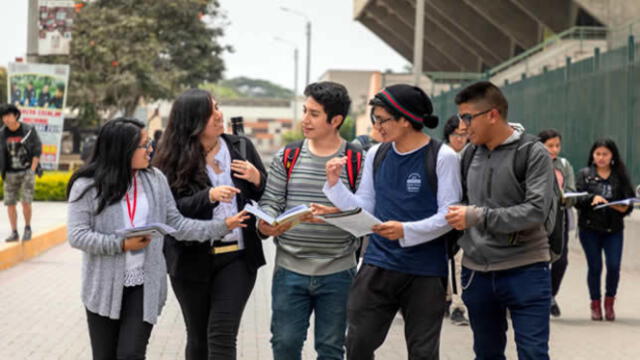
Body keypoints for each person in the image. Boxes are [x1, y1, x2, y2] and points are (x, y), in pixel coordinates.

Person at [66, 117, 249, 360]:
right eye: (144, 144)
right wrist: (121, 244)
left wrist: (222, 226)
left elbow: (177, 225)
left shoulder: (155, 180)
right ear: (123, 149)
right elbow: (77, 235)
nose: (151, 149)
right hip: (102, 287)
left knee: (131, 354)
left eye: (149, 142)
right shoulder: (87, 185)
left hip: (145, 284)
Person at [323, 84, 461, 359]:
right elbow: (365, 205)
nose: (377, 127)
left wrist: (404, 231)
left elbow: (449, 216)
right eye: (375, 120)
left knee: (423, 352)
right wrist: (335, 186)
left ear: (406, 119)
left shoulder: (442, 156)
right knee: (357, 344)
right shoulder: (377, 154)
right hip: (378, 264)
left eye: (382, 120)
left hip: (425, 271)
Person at [153, 89, 267, 359]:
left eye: (218, 107)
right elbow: (170, 213)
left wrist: (257, 178)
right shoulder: (170, 158)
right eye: (210, 111)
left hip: (237, 257)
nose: (219, 115)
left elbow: (267, 195)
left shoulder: (240, 147)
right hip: (191, 258)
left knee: (222, 334)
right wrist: (208, 197)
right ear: (192, 121)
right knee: (198, 339)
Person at [445, 81, 556, 360]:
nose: (463, 125)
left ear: (492, 115)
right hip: (477, 272)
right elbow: (457, 202)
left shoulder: (532, 153)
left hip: (526, 269)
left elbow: (535, 211)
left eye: (468, 117)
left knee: (533, 354)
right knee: (486, 354)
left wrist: (476, 216)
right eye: (460, 117)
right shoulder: (469, 155)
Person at [258, 81, 362, 360]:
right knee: (285, 344)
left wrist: (331, 218)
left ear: (336, 120)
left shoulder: (355, 160)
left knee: (330, 350)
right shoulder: (288, 156)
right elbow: (271, 200)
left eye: (314, 114)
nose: (305, 119)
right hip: (290, 269)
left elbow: (364, 214)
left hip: (339, 272)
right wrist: (266, 221)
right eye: (305, 111)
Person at [575, 138, 634, 321]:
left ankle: (609, 302)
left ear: (612, 156)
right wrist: (592, 198)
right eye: (598, 154)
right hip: (590, 228)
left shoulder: (620, 176)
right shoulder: (585, 175)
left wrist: (621, 206)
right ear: (593, 155)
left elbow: (629, 202)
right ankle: (595, 304)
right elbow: (576, 199)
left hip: (613, 229)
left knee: (614, 266)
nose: (601, 158)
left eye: (605, 154)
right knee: (595, 267)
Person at [538, 129, 577, 318]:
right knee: (540, 260)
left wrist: (564, 197)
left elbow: (571, 190)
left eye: (557, 145)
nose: (554, 150)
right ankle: (540, 297)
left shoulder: (564, 165)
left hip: (560, 217)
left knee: (561, 260)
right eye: (550, 146)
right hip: (538, 219)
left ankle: (551, 295)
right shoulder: (534, 163)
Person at [442, 114, 470, 326]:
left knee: (459, 260)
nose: (460, 139)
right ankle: (449, 300)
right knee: (448, 260)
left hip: (465, 214)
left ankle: (458, 306)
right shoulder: (442, 155)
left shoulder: (473, 155)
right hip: (443, 215)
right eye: (455, 134)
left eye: (464, 134)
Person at [0, 104, 42, 242]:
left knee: (25, 202)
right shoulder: (2, 134)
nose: (5, 119)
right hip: (10, 173)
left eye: (8, 116)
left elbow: (37, 149)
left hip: (26, 172)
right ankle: (14, 232)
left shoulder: (28, 130)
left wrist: (32, 170)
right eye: (3, 116)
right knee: (10, 203)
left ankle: (28, 228)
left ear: (16, 115)